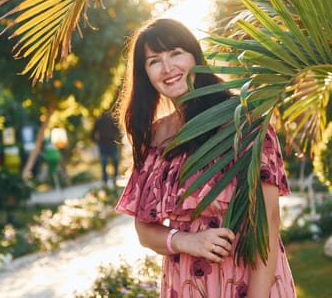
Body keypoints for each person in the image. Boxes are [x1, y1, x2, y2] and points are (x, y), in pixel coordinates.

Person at [115, 18, 295, 297]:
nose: (168, 68)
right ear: (145, 74)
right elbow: (144, 231)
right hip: (185, 283)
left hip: (248, 277)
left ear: (195, 56)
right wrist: (187, 241)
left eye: (176, 53)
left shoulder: (242, 119)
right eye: (154, 61)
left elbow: (268, 220)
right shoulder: (156, 135)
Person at [91, 110, 121, 187]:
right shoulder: (111, 120)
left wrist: (95, 141)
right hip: (111, 143)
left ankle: (105, 179)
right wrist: (118, 139)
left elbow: (93, 132)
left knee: (104, 162)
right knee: (115, 161)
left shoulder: (99, 121)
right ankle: (115, 176)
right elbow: (117, 131)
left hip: (103, 144)